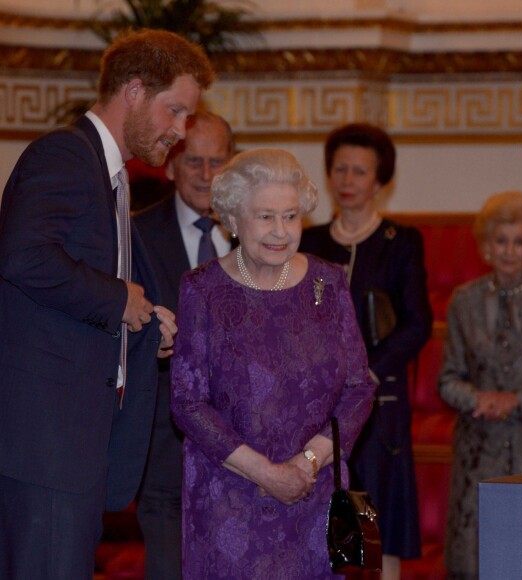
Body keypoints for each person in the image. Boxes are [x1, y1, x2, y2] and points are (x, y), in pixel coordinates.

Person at [0, 29, 214, 580]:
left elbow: (85, 296)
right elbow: (23, 257)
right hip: (46, 445)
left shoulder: (111, 177)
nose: (181, 131)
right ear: (135, 91)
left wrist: (144, 322)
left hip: (75, 448)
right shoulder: (66, 155)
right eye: (176, 111)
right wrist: (120, 298)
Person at [170, 148, 377, 579]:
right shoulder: (202, 289)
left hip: (314, 497)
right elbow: (187, 402)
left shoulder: (330, 283)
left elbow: (359, 386)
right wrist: (266, 473)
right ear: (232, 219)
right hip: (230, 503)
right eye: (265, 217)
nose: (280, 232)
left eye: (290, 216)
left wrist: (309, 462)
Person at [300, 122, 433, 579]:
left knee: (381, 529)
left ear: (380, 181)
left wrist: (367, 375)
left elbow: (418, 324)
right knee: (322, 525)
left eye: (360, 172)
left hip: (380, 403)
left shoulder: (400, 242)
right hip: (316, 405)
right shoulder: (309, 242)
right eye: (340, 170)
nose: (348, 181)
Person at [134, 111, 235, 580]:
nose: (207, 175)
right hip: (164, 448)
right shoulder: (135, 234)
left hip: (244, 452)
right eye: (194, 160)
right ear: (170, 164)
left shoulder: (258, 235)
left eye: (218, 161)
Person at [437, 191, 522, 579]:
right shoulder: (464, 301)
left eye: (518, 241)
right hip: (476, 446)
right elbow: (447, 379)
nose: (509, 250)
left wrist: (515, 400)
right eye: (500, 241)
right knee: (474, 556)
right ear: (486, 247)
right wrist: (479, 398)